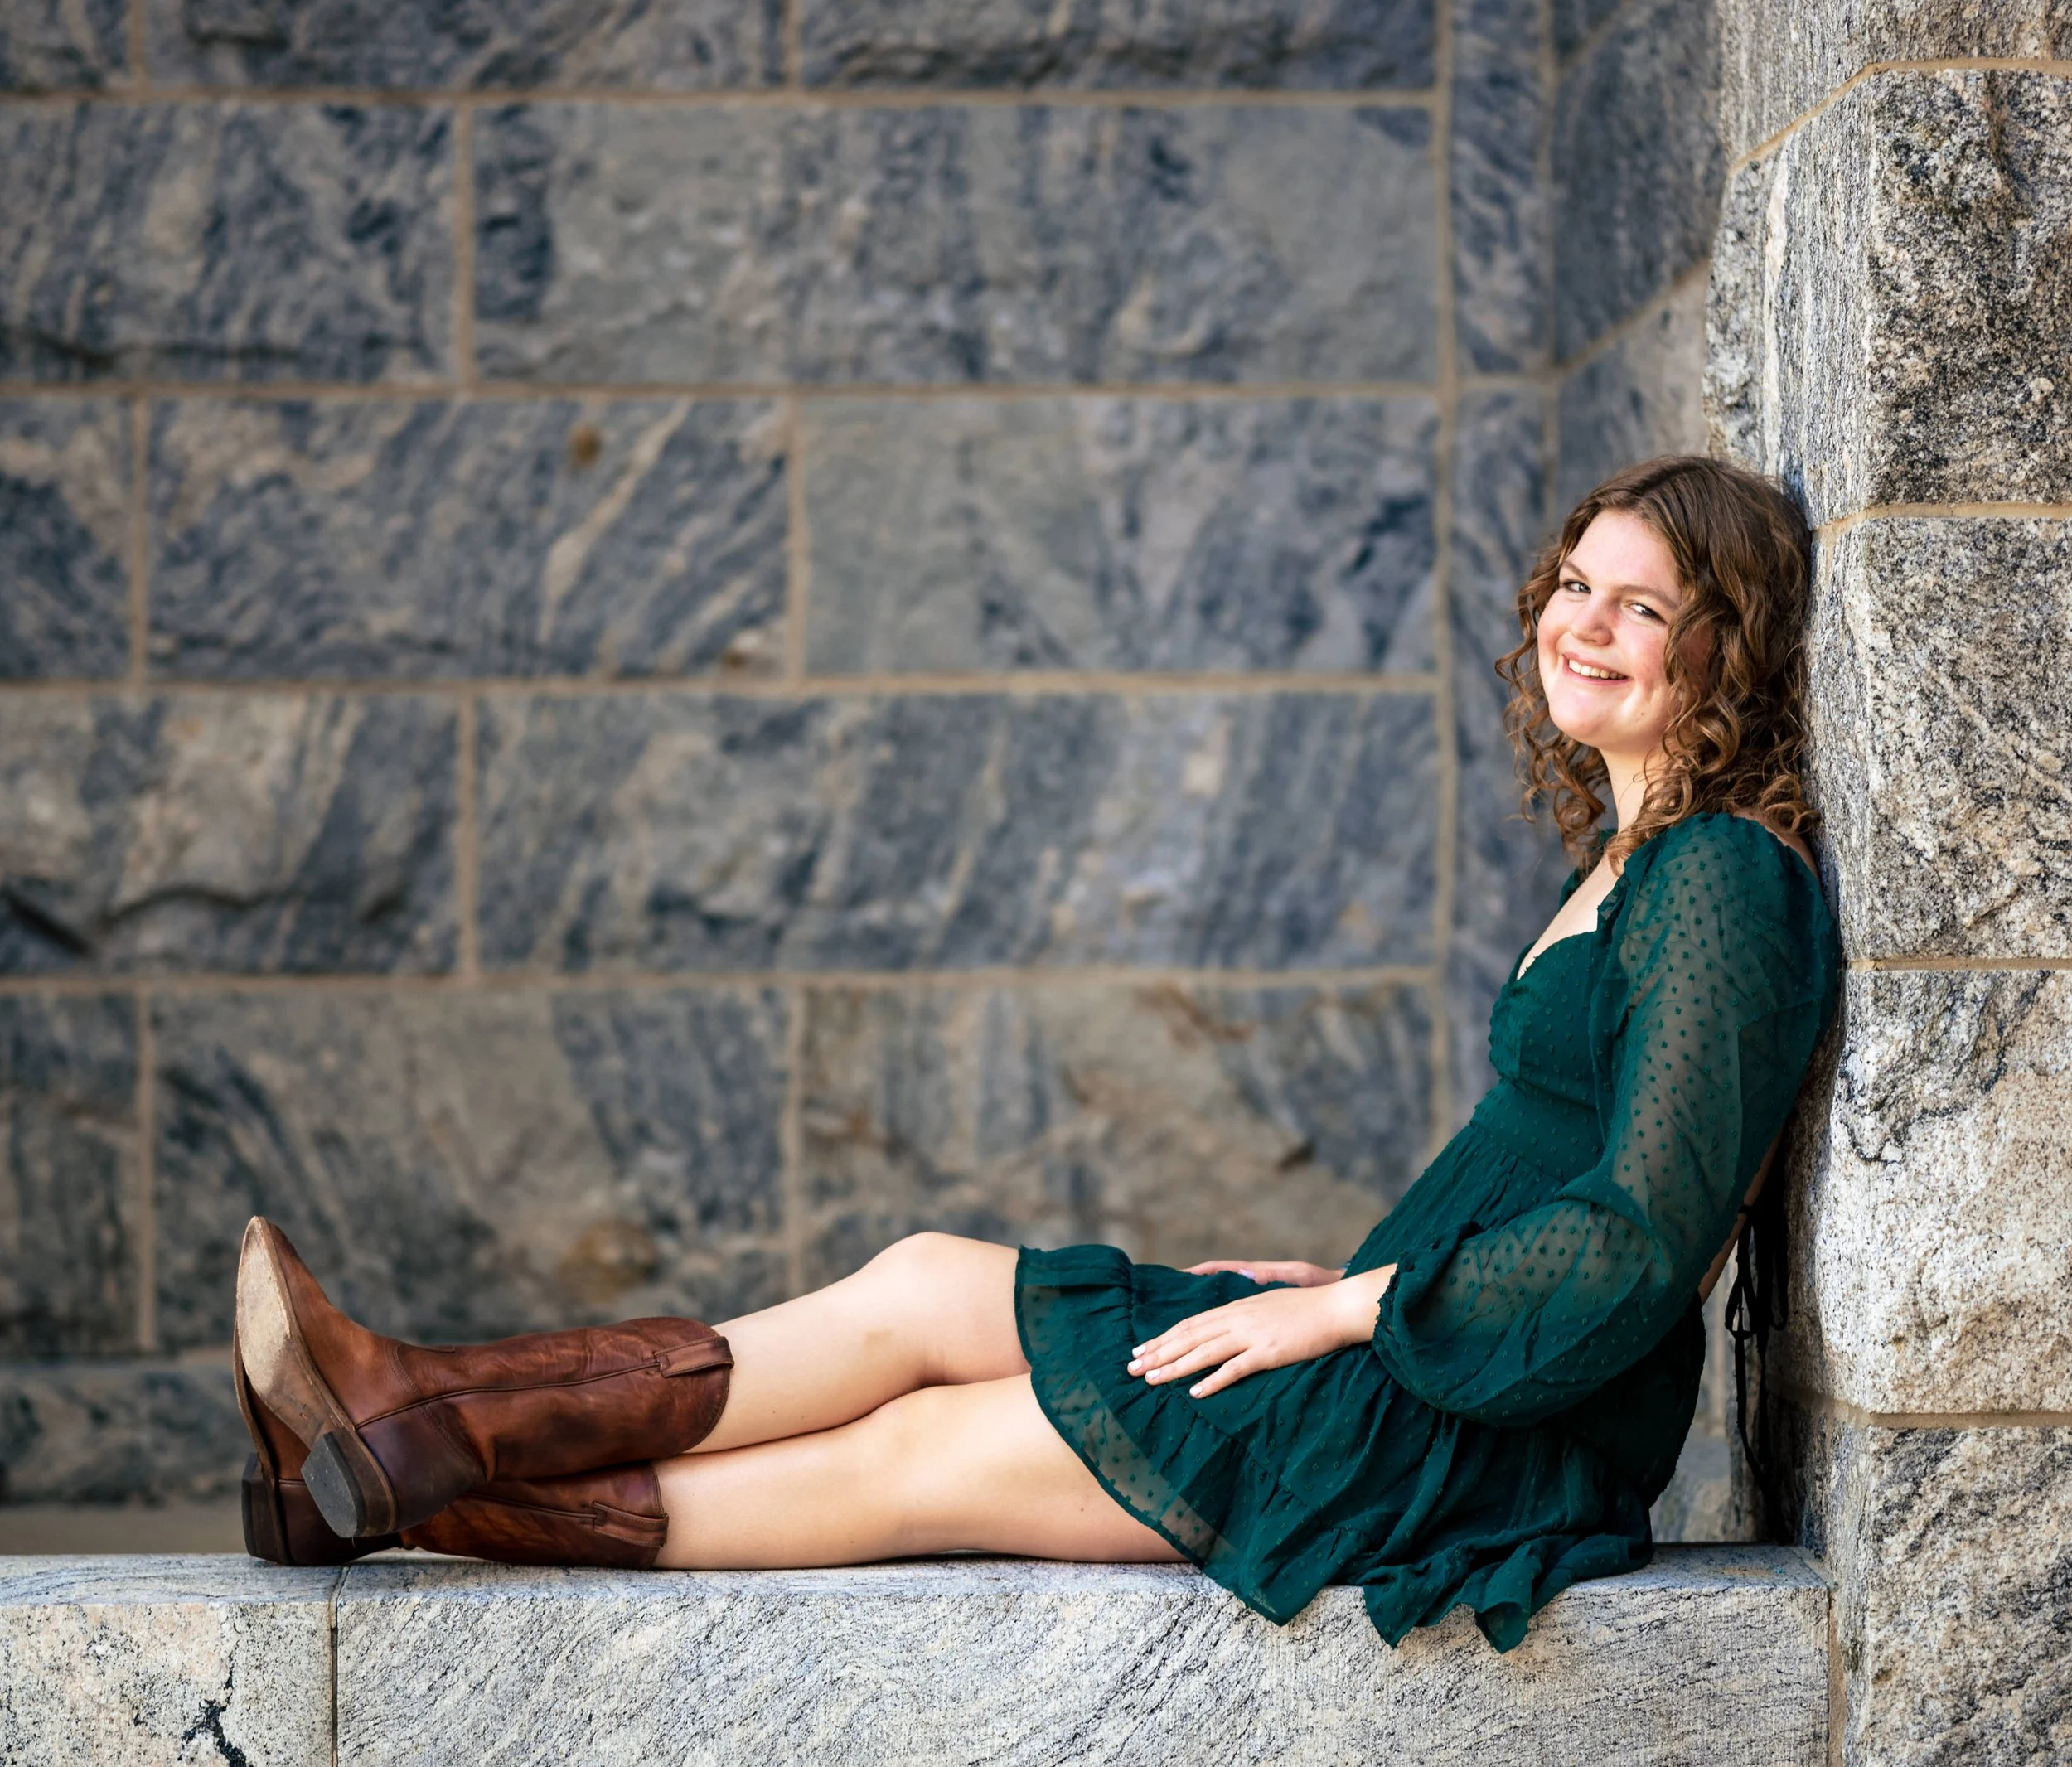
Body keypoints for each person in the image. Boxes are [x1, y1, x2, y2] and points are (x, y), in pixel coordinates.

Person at [236, 453, 1840, 1654]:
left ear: (1727, 651)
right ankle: (413, 1409)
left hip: (1484, 1437)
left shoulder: (1724, 881)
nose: (1585, 625)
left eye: (1644, 606)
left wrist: (1363, 1304)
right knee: (929, 1278)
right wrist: (1335, 1280)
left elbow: (1636, 1243)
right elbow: (1539, 1170)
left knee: (919, 1453)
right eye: (1575, 583)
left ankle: (398, 1477)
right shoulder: (1634, 865)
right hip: (1412, 1344)